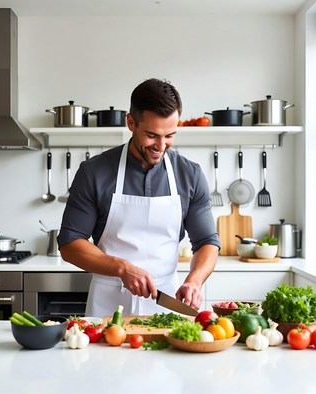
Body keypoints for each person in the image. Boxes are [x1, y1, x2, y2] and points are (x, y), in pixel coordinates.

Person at [58, 78, 221, 317]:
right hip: (108, 304)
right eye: (152, 135)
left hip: (166, 303)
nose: (161, 145)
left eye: (170, 136)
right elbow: (70, 244)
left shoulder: (190, 175)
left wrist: (194, 281)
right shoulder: (94, 172)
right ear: (131, 122)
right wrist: (122, 268)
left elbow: (207, 241)